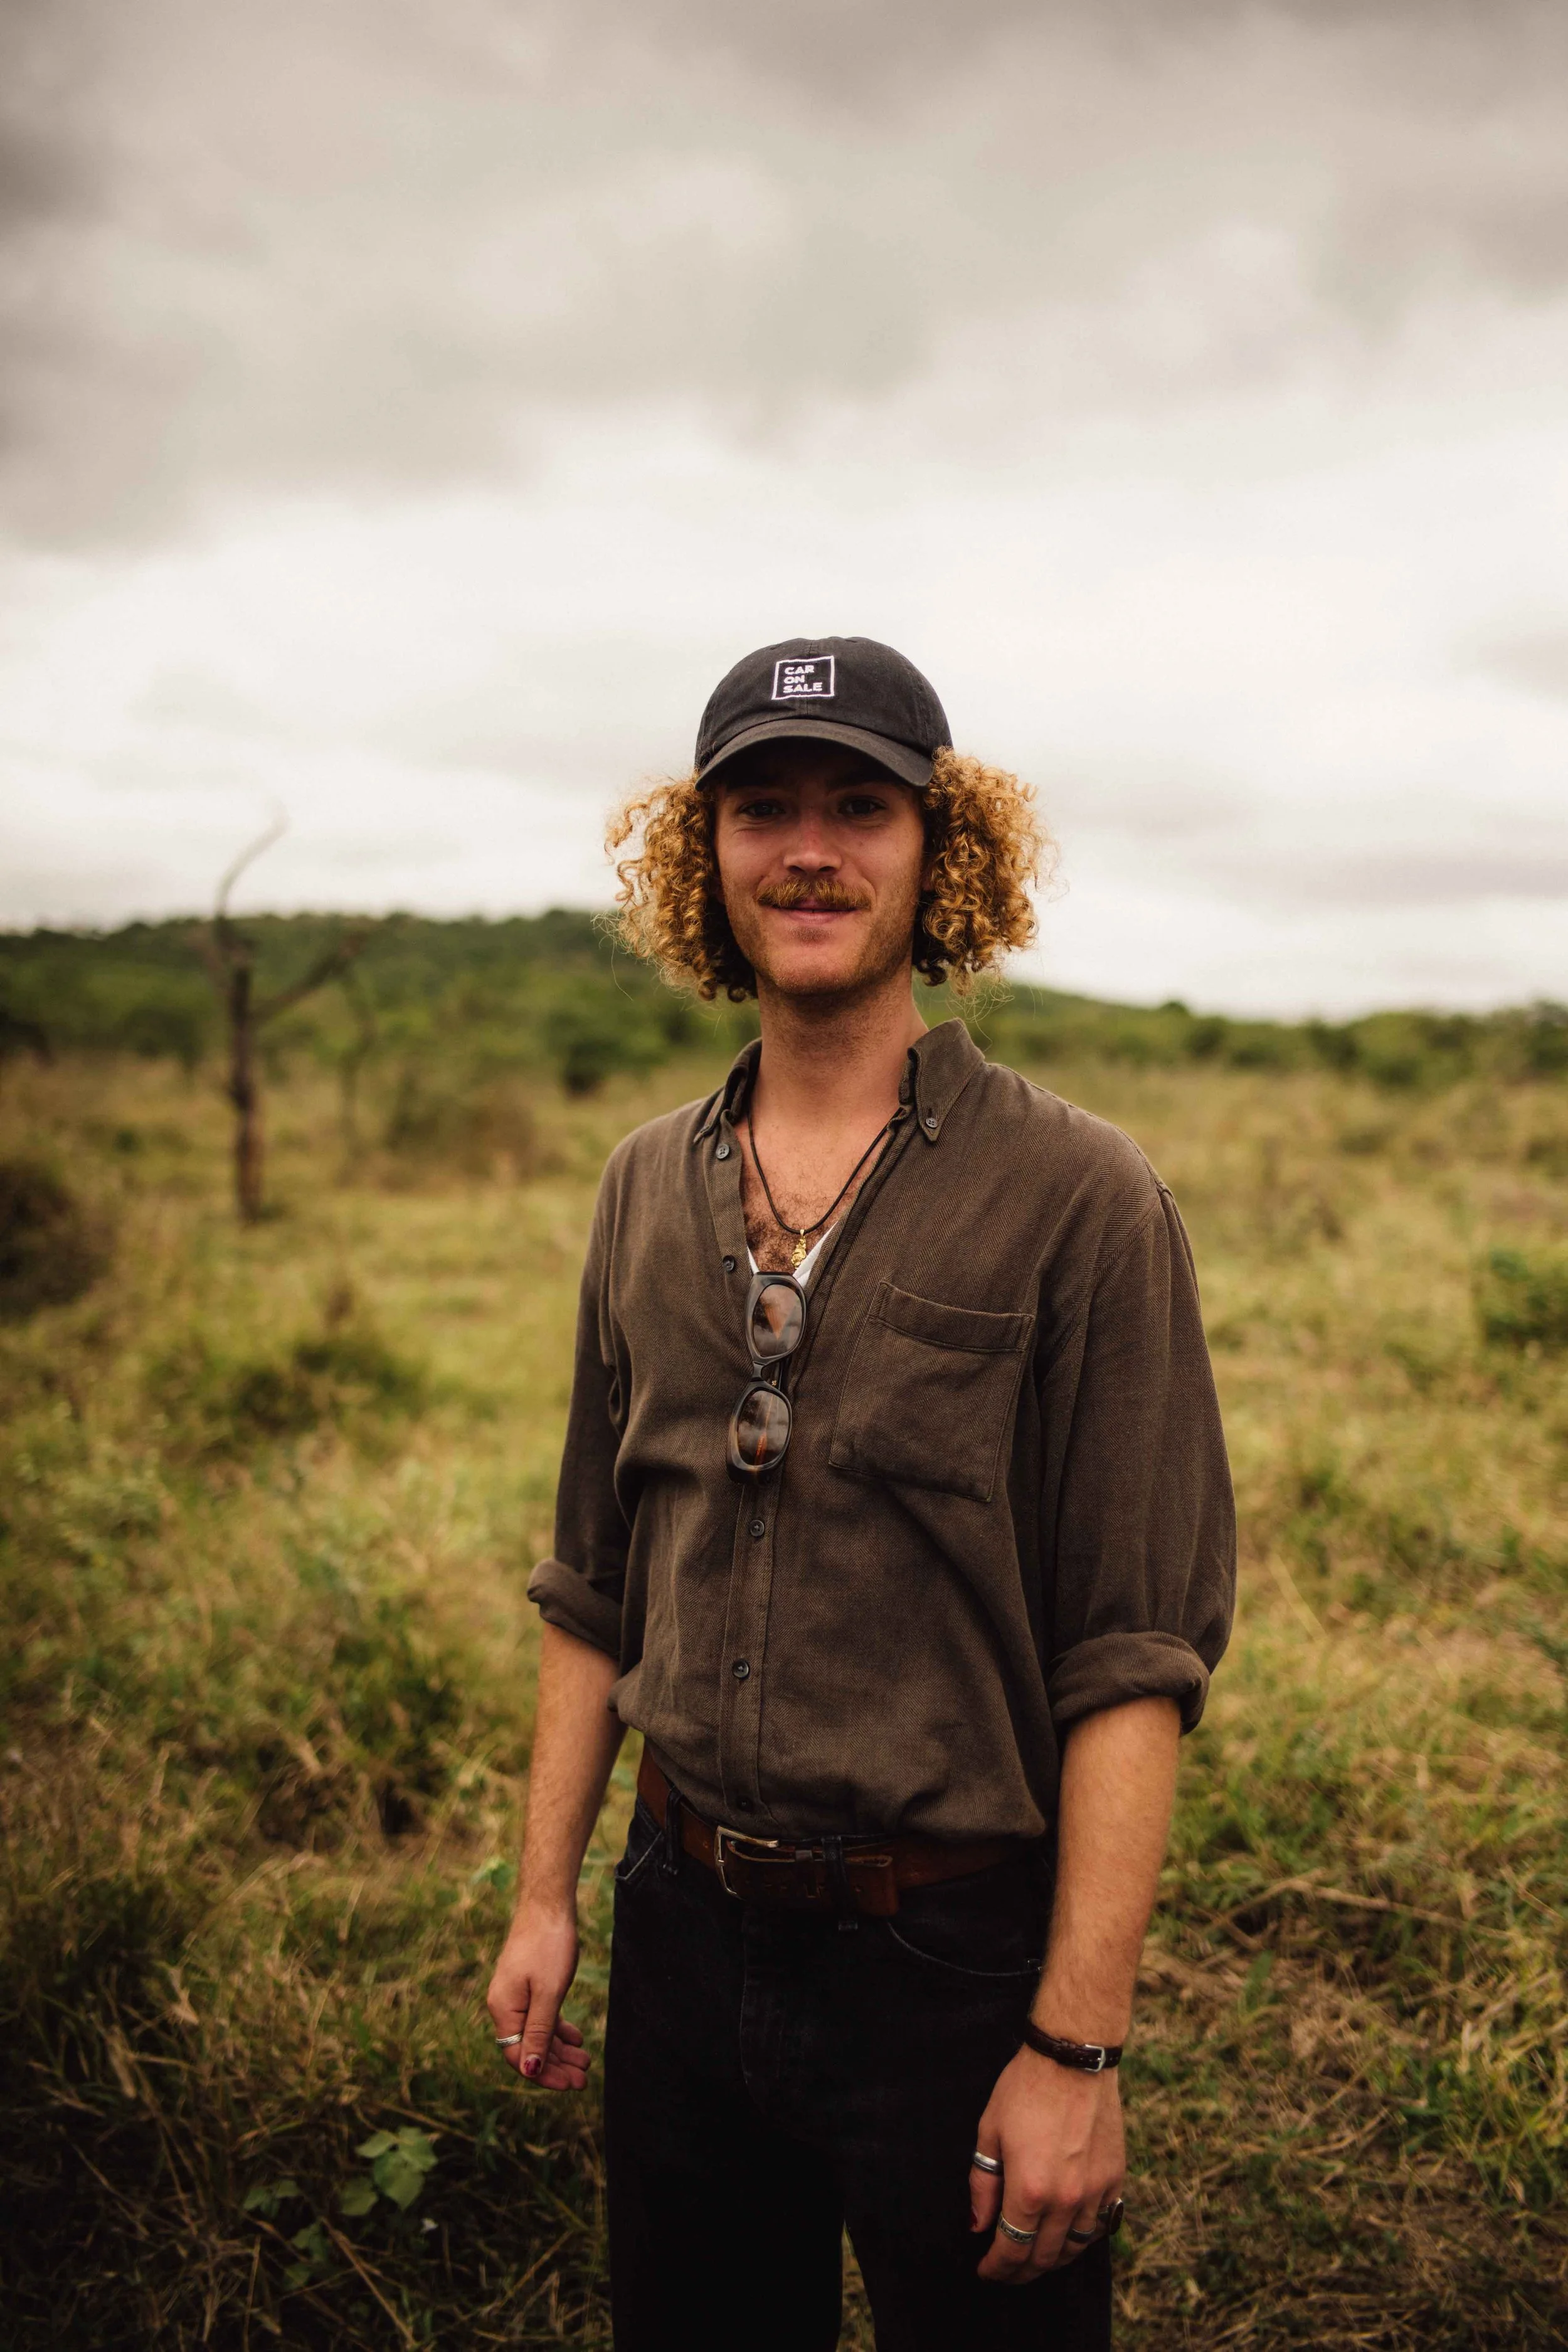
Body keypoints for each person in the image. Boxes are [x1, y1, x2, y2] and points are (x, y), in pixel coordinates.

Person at [487, 635, 1236, 2350]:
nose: (806, 847)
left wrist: (1074, 2048)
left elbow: (1131, 1655)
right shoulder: (637, 1187)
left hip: (950, 1955)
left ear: (937, 846)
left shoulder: (1080, 1199)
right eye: (760, 808)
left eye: (856, 807)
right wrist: (547, 1897)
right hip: (677, 1919)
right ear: (705, 856)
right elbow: (593, 1579)